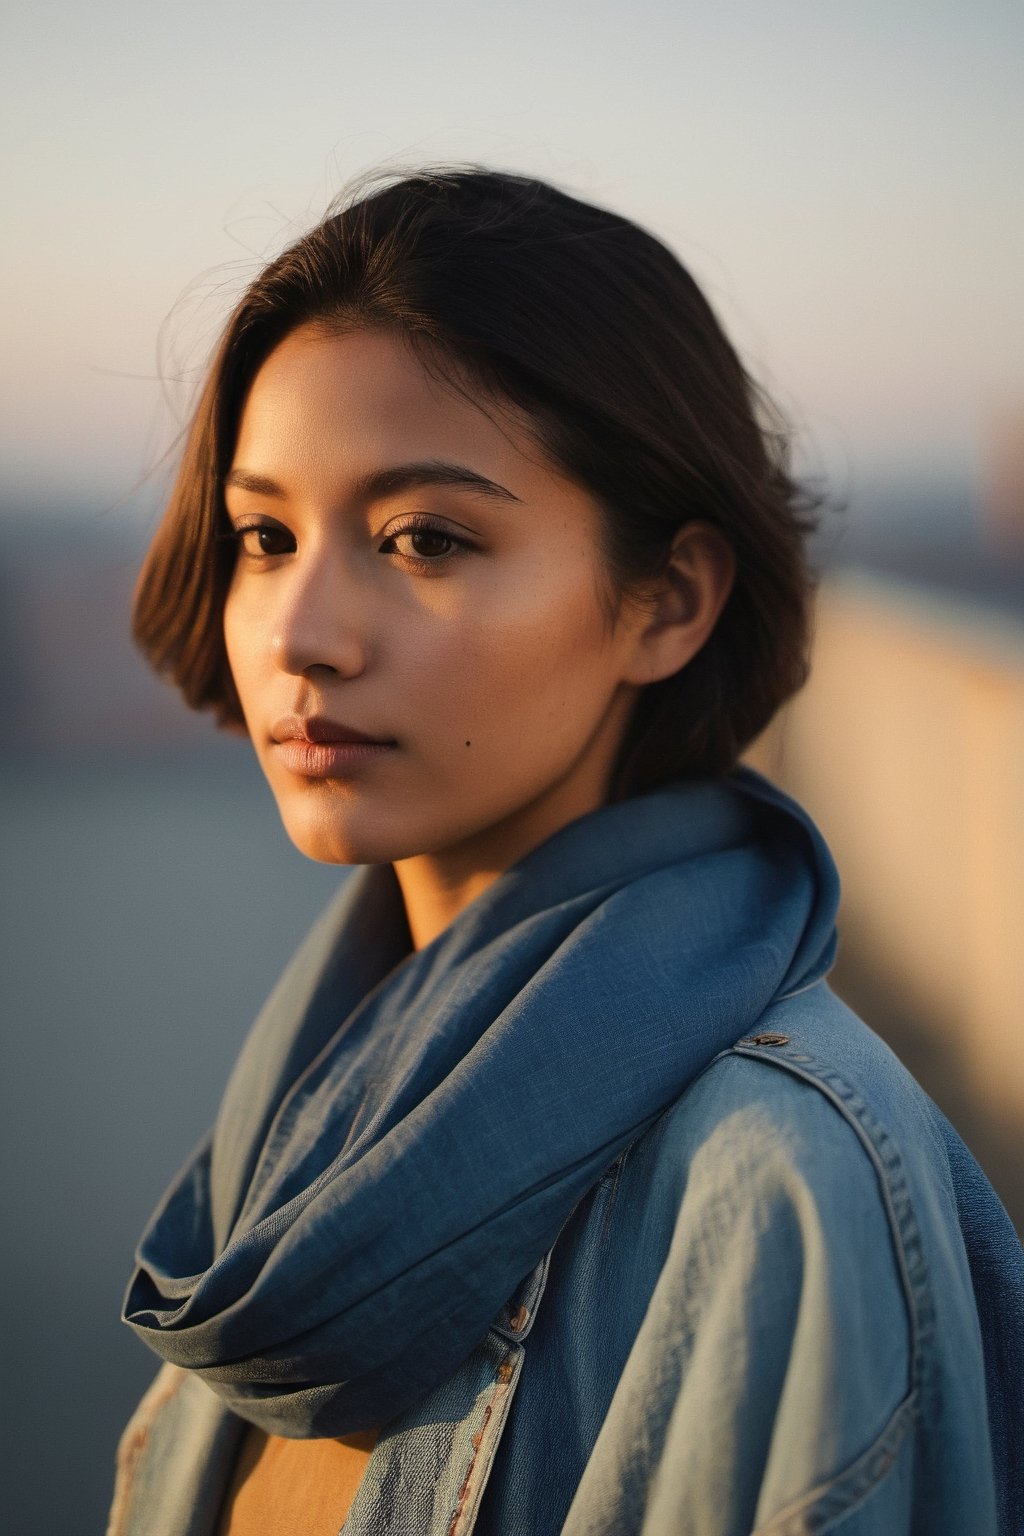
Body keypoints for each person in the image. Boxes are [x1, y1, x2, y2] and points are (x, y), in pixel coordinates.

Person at [107, 167, 1022, 1536]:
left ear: (667, 601)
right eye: (264, 535)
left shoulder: (781, 1189)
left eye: (423, 539)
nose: (301, 632)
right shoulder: (317, 1115)